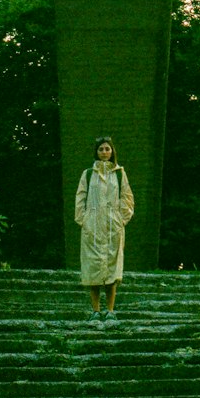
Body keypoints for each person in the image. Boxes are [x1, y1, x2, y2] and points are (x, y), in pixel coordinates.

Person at [75, 135, 134, 325]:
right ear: (96, 152)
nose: (104, 152)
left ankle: (110, 310)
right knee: (93, 269)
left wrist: (121, 219)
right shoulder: (88, 174)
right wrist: (83, 220)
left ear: (112, 151)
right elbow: (80, 197)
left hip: (112, 227)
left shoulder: (119, 173)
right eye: (101, 149)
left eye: (107, 149)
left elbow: (126, 197)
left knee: (111, 269)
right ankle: (95, 310)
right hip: (92, 226)